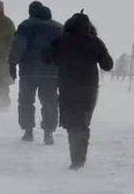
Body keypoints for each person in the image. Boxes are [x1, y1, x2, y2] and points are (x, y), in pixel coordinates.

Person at [43, 11, 113, 169]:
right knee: (82, 123)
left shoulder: (61, 41)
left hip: (68, 86)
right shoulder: (95, 42)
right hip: (89, 88)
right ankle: (80, 158)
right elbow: (108, 65)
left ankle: (75, 159)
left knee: (71, 123)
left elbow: (47, 58)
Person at [8, 1, 62, 144]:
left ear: (31, 11)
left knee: (26, 101)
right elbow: (63, 49)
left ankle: (28, 131)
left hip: (28, 71)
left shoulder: (26, 26)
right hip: (52, 73)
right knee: (50, 102)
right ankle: (48, 133)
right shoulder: (58, 27)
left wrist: (12, 63)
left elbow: (18, 46)